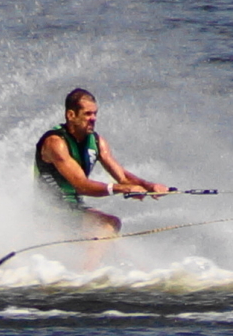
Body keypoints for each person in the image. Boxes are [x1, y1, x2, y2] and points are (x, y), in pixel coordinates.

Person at [34, 88, 170, 268]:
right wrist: (121, 189)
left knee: (115, 243)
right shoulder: (55, 143)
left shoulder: (97, 142)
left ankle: (92, 272)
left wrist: (149, 186)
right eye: (87, 114)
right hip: (49, 212)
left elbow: (122, 177)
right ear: (71, 114)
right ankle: (85, 276)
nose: (93, 118)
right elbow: (81, 185)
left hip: (74, 209)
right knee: (108, 224)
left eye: (95, 114)